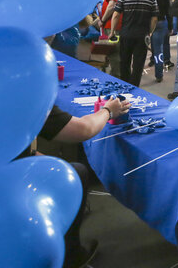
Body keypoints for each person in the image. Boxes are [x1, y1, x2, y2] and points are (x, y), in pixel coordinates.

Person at [35, 98, 131, 268]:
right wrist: (108, 110)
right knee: (76, 173)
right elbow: (83, 129)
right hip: (8, 178)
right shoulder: (28, 99)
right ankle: (71, 255)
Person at [110, 0, 158, 86]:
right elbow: (154, 18)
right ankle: (135, 87)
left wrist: (112, 31)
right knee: (138, 64)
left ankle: (125, 85)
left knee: (124, 61)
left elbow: (116, 14)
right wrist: (150, 32)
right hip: (142, 35)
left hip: (126, 34)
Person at [95, 0, 127, 78]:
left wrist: (102, 20)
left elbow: (112, 5)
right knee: (114, 54)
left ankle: (115, 79)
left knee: (115, 55)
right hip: (114, 24)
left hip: (113, 25)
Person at [145, 0, 172, 83]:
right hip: (160, 22)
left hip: (145, 23)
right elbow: (169, 10)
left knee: (141, 49)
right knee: (158, 50)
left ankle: (137, 71)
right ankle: (159, 74)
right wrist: (170, 26)